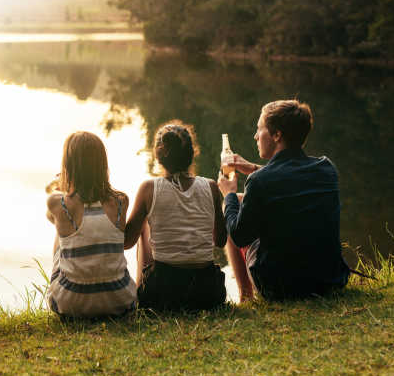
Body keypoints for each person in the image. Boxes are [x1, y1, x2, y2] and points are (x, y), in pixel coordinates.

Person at [218, 100, 350, 300]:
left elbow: (239, 236)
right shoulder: (326, 168)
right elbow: (292, 181)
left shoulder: (260, 182)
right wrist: (253, 169)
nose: (255, 136)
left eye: (259, 129)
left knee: (233, 204)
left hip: (281, 286)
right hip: (330, 280)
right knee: (240, 200)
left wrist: (228, 194)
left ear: (277, 135)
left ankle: (246, 297)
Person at [124, 122, 228, 311]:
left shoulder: (149, 188)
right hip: (207, 293)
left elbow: (126, 242)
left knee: (145, 225)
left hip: (163, 294)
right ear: (192, 153)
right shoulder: (211, 186)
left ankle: (139, 297)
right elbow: (220, 241)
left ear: (158, 155)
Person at [45, 131, 137, 318]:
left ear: (68, 165)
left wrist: (64, 187)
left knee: (61, 229)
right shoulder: (121, 201)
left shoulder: (57, 202)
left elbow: (51, 217)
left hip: (70, 303)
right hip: (120, 300)